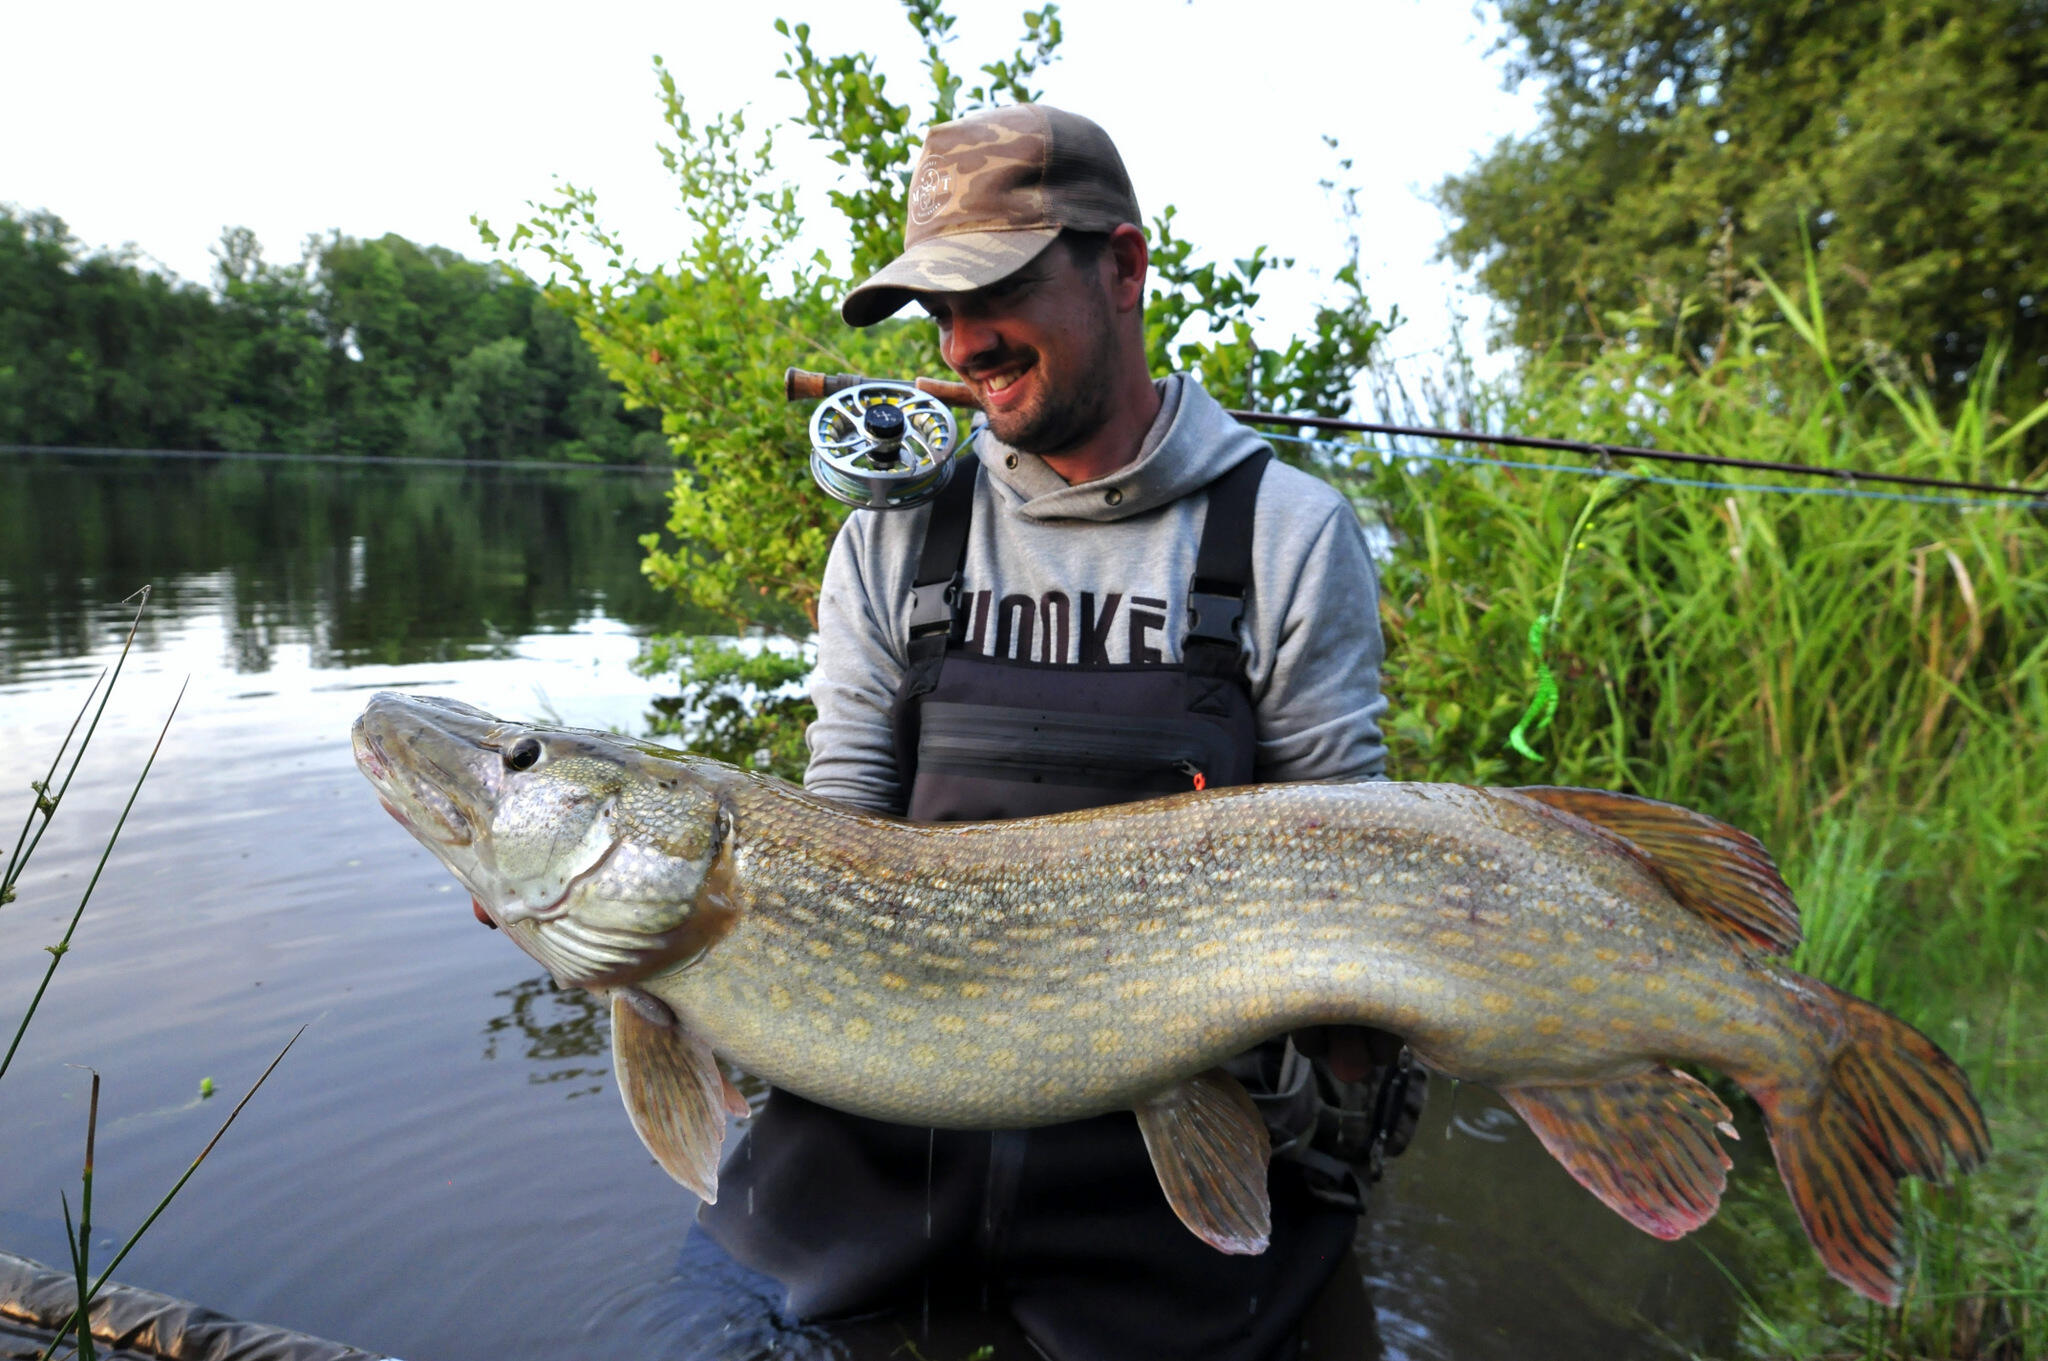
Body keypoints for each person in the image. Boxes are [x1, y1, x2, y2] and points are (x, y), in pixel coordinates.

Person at [691, 103, 1409, 1361]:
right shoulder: (895, 533)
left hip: (1163, 1207)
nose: (964, 343)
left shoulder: (1284, 532)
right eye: (938, 312)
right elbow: (842, 817)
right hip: (881, 1177)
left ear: (1122, 267)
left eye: (1001, 291)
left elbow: (1340, 864)